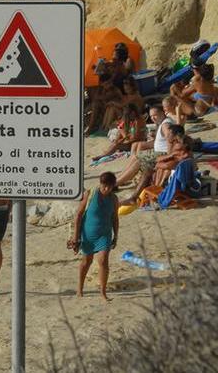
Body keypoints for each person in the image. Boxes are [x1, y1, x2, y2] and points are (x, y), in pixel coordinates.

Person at [68, 172, 119, 301]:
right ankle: (79, 289)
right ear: (100, 184)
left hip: (105, 234)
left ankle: (103, 292)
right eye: (104, 186)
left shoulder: (114, 199)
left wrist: (116, 235)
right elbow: (79, 215)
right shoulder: (90, 194)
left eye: (109, 187)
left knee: (103, 260)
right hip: (88, 233)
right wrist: (76, 236)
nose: (106, 189)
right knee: (86, 261)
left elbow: (115, 218)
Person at [115, 105, 169, 186]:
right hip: (158, 151)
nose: (153, 118)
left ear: (163, 113)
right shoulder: (162, 123)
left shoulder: (166, 125)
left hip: (162, 153)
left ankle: (117, 183)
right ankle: (120, 177)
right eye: (151, 116)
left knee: (138, 159)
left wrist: (168, 156)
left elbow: (171, 141)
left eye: (155, 115)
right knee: (136, 156)